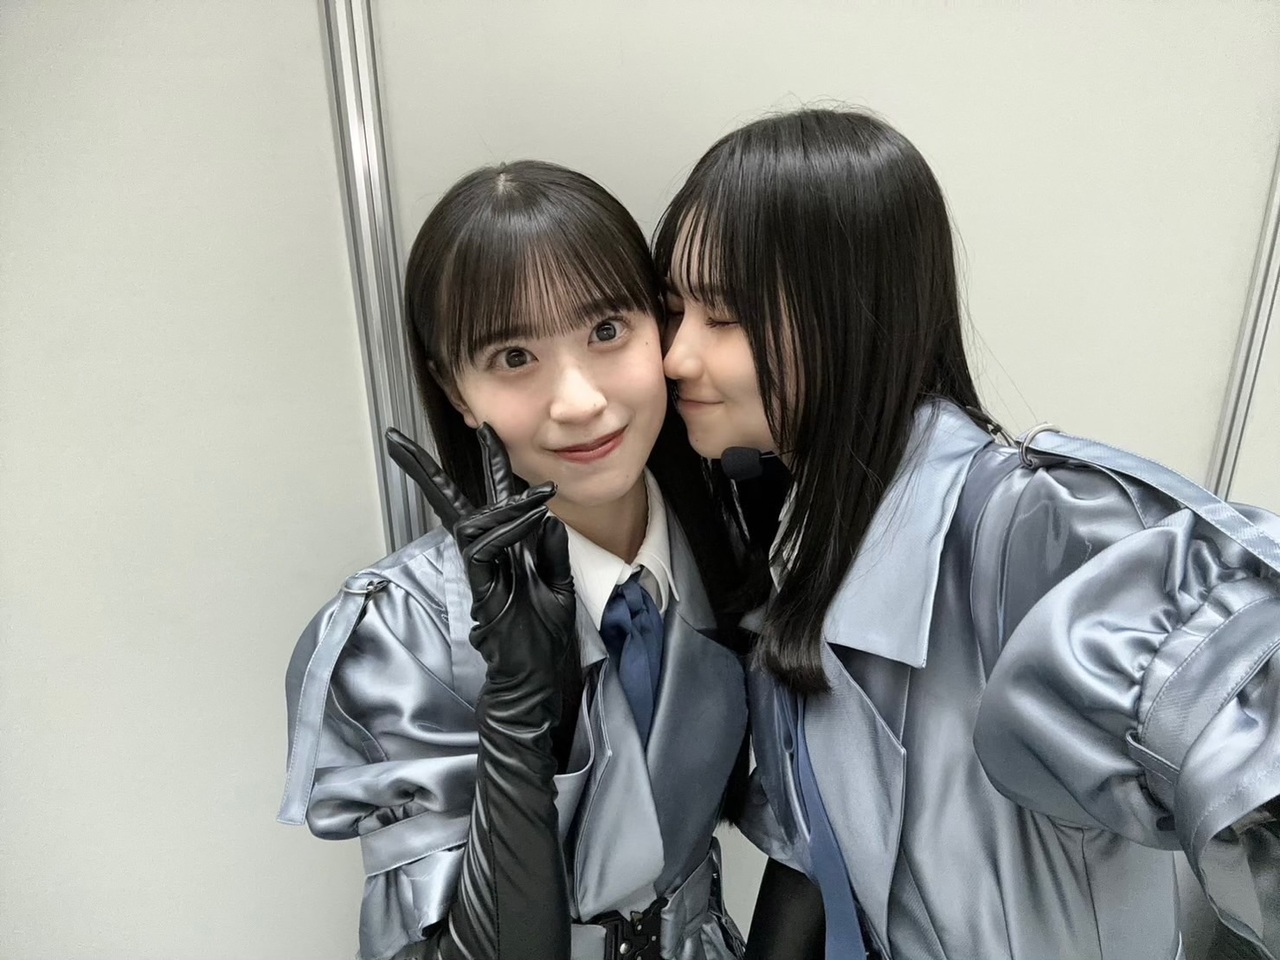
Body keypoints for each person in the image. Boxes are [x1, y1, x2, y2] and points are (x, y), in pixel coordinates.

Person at [655, 107, 1280, 960]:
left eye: (723, 317)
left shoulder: (1036, 528)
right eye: (675, 309)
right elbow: (815, 855)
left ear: (850, 313)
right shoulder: (793, 535)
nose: (676, 356)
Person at [278, 160, 754, 960]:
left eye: (607, 331)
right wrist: (516, 710)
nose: (579, 401)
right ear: (455, 390)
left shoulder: (727, 542)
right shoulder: (400, 635)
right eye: (513, 357)